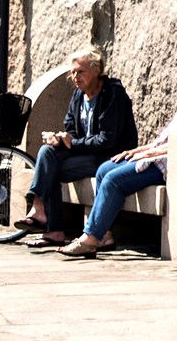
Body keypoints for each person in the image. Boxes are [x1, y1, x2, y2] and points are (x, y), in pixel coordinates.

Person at [58, 53, 177, 258]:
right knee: (104, 169)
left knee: (113, 180)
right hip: (157, 156)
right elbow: (164, 141)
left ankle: (90, 237)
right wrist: (140, 150)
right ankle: (105, 235)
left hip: (169, 164)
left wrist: (153, 152)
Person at [14, 45, 139, 248]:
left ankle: (48, 222)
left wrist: (72, 143)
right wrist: (60, 138)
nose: (75, 77)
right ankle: (41, 211)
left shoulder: (112, 94)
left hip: (109, 157)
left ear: (96, 70)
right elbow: (71, 127)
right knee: (47, 152)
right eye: (73, 72)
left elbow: (107, 140)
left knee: (50, 168)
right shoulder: (78, 95)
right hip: (86, 154)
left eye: (80, 72)